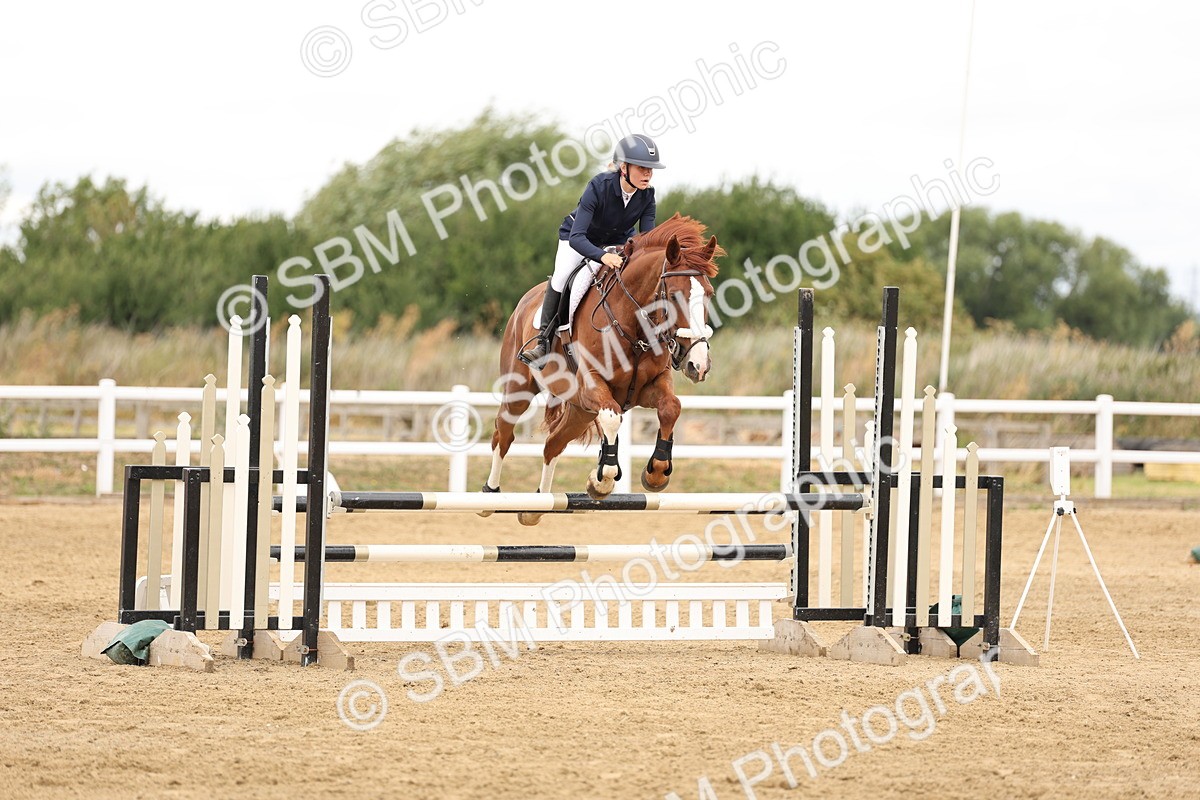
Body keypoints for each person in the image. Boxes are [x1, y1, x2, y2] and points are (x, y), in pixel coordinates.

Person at [517, 134, 665, 367]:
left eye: (650, 169)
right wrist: (603, 256)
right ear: (624, 168)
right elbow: (577, 237)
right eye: (642, 168)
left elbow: (646, 240)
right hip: (579, 238)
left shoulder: (647, 195)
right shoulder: (599, 186)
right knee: (562, 276)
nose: (648, 174)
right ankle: (542, 342)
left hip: (617, 242)